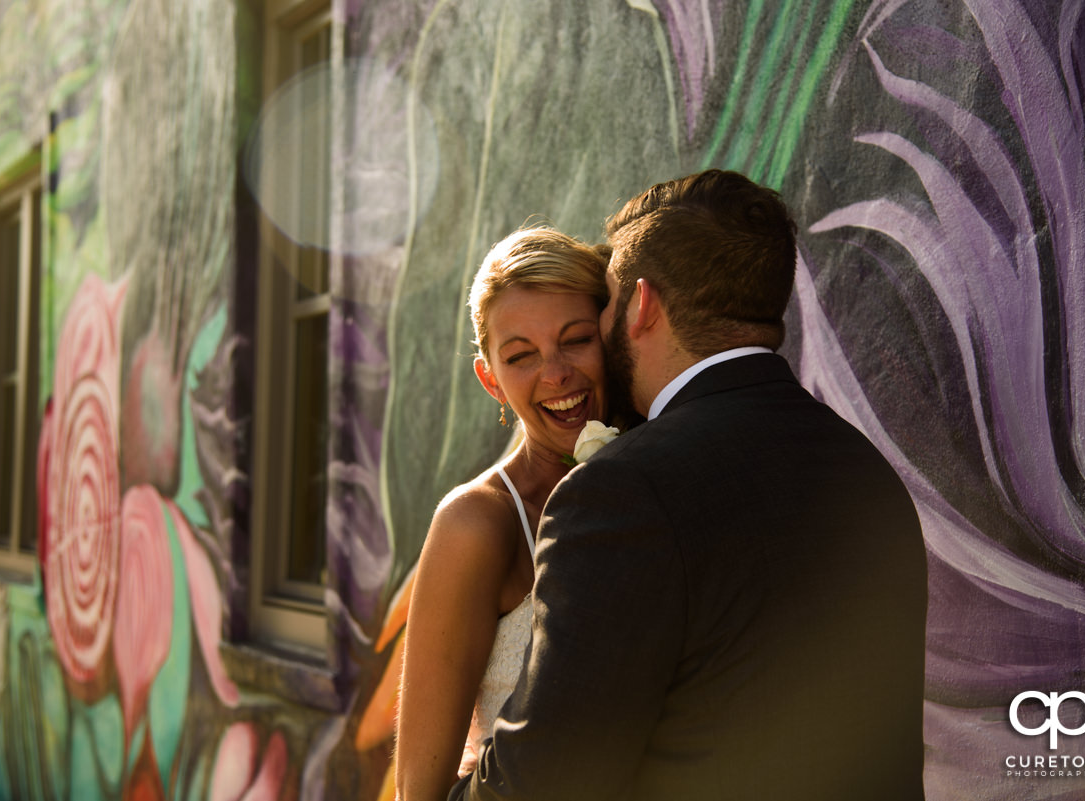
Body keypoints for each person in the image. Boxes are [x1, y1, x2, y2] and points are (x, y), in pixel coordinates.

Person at [449, 170, 928, 800]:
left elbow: (546, 780)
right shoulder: (865, 469)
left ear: (642, 306)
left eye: (609, 301)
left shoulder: (621, 492)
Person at [394, 227, 611, 801]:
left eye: (577, 339)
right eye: (520, 356)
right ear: (489, 378)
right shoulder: (478, 524)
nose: (556, 372)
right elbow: (420, 788)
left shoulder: (656, 471)